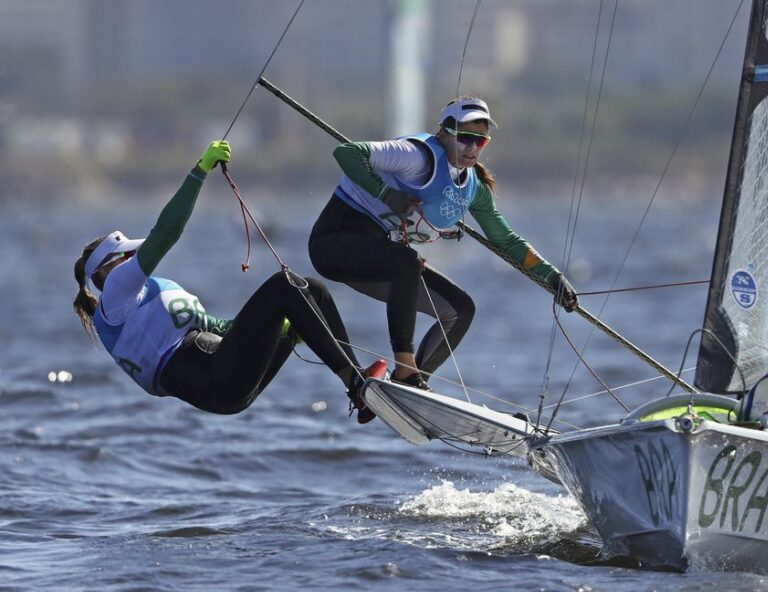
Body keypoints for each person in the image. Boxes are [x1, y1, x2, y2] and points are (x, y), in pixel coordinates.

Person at [73, 140, 386, 420]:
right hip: (212, 380)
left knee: (310, 291)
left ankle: (358, 383)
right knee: (284, 285)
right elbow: (166, 234)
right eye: (125, 256)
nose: (132, 260)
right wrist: (199, 171)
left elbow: (220, 330)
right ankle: (357, 384)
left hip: (230, 388)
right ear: (105, 271)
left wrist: (285, 329)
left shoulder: (153, 294)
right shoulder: (113, 298)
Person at [308, 96, 578, 390]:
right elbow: (346, 152)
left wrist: (554, 277)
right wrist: (386, 193)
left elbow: (506, 239)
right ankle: (405, 367)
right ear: (446, 133)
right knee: (407, 261)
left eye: (481, 142)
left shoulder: (473, 188)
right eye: (466, 139)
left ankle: (407, 387)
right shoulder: (415, 155)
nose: (473, 148)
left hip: (378, 256)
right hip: (332, 244)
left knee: (461, 309)